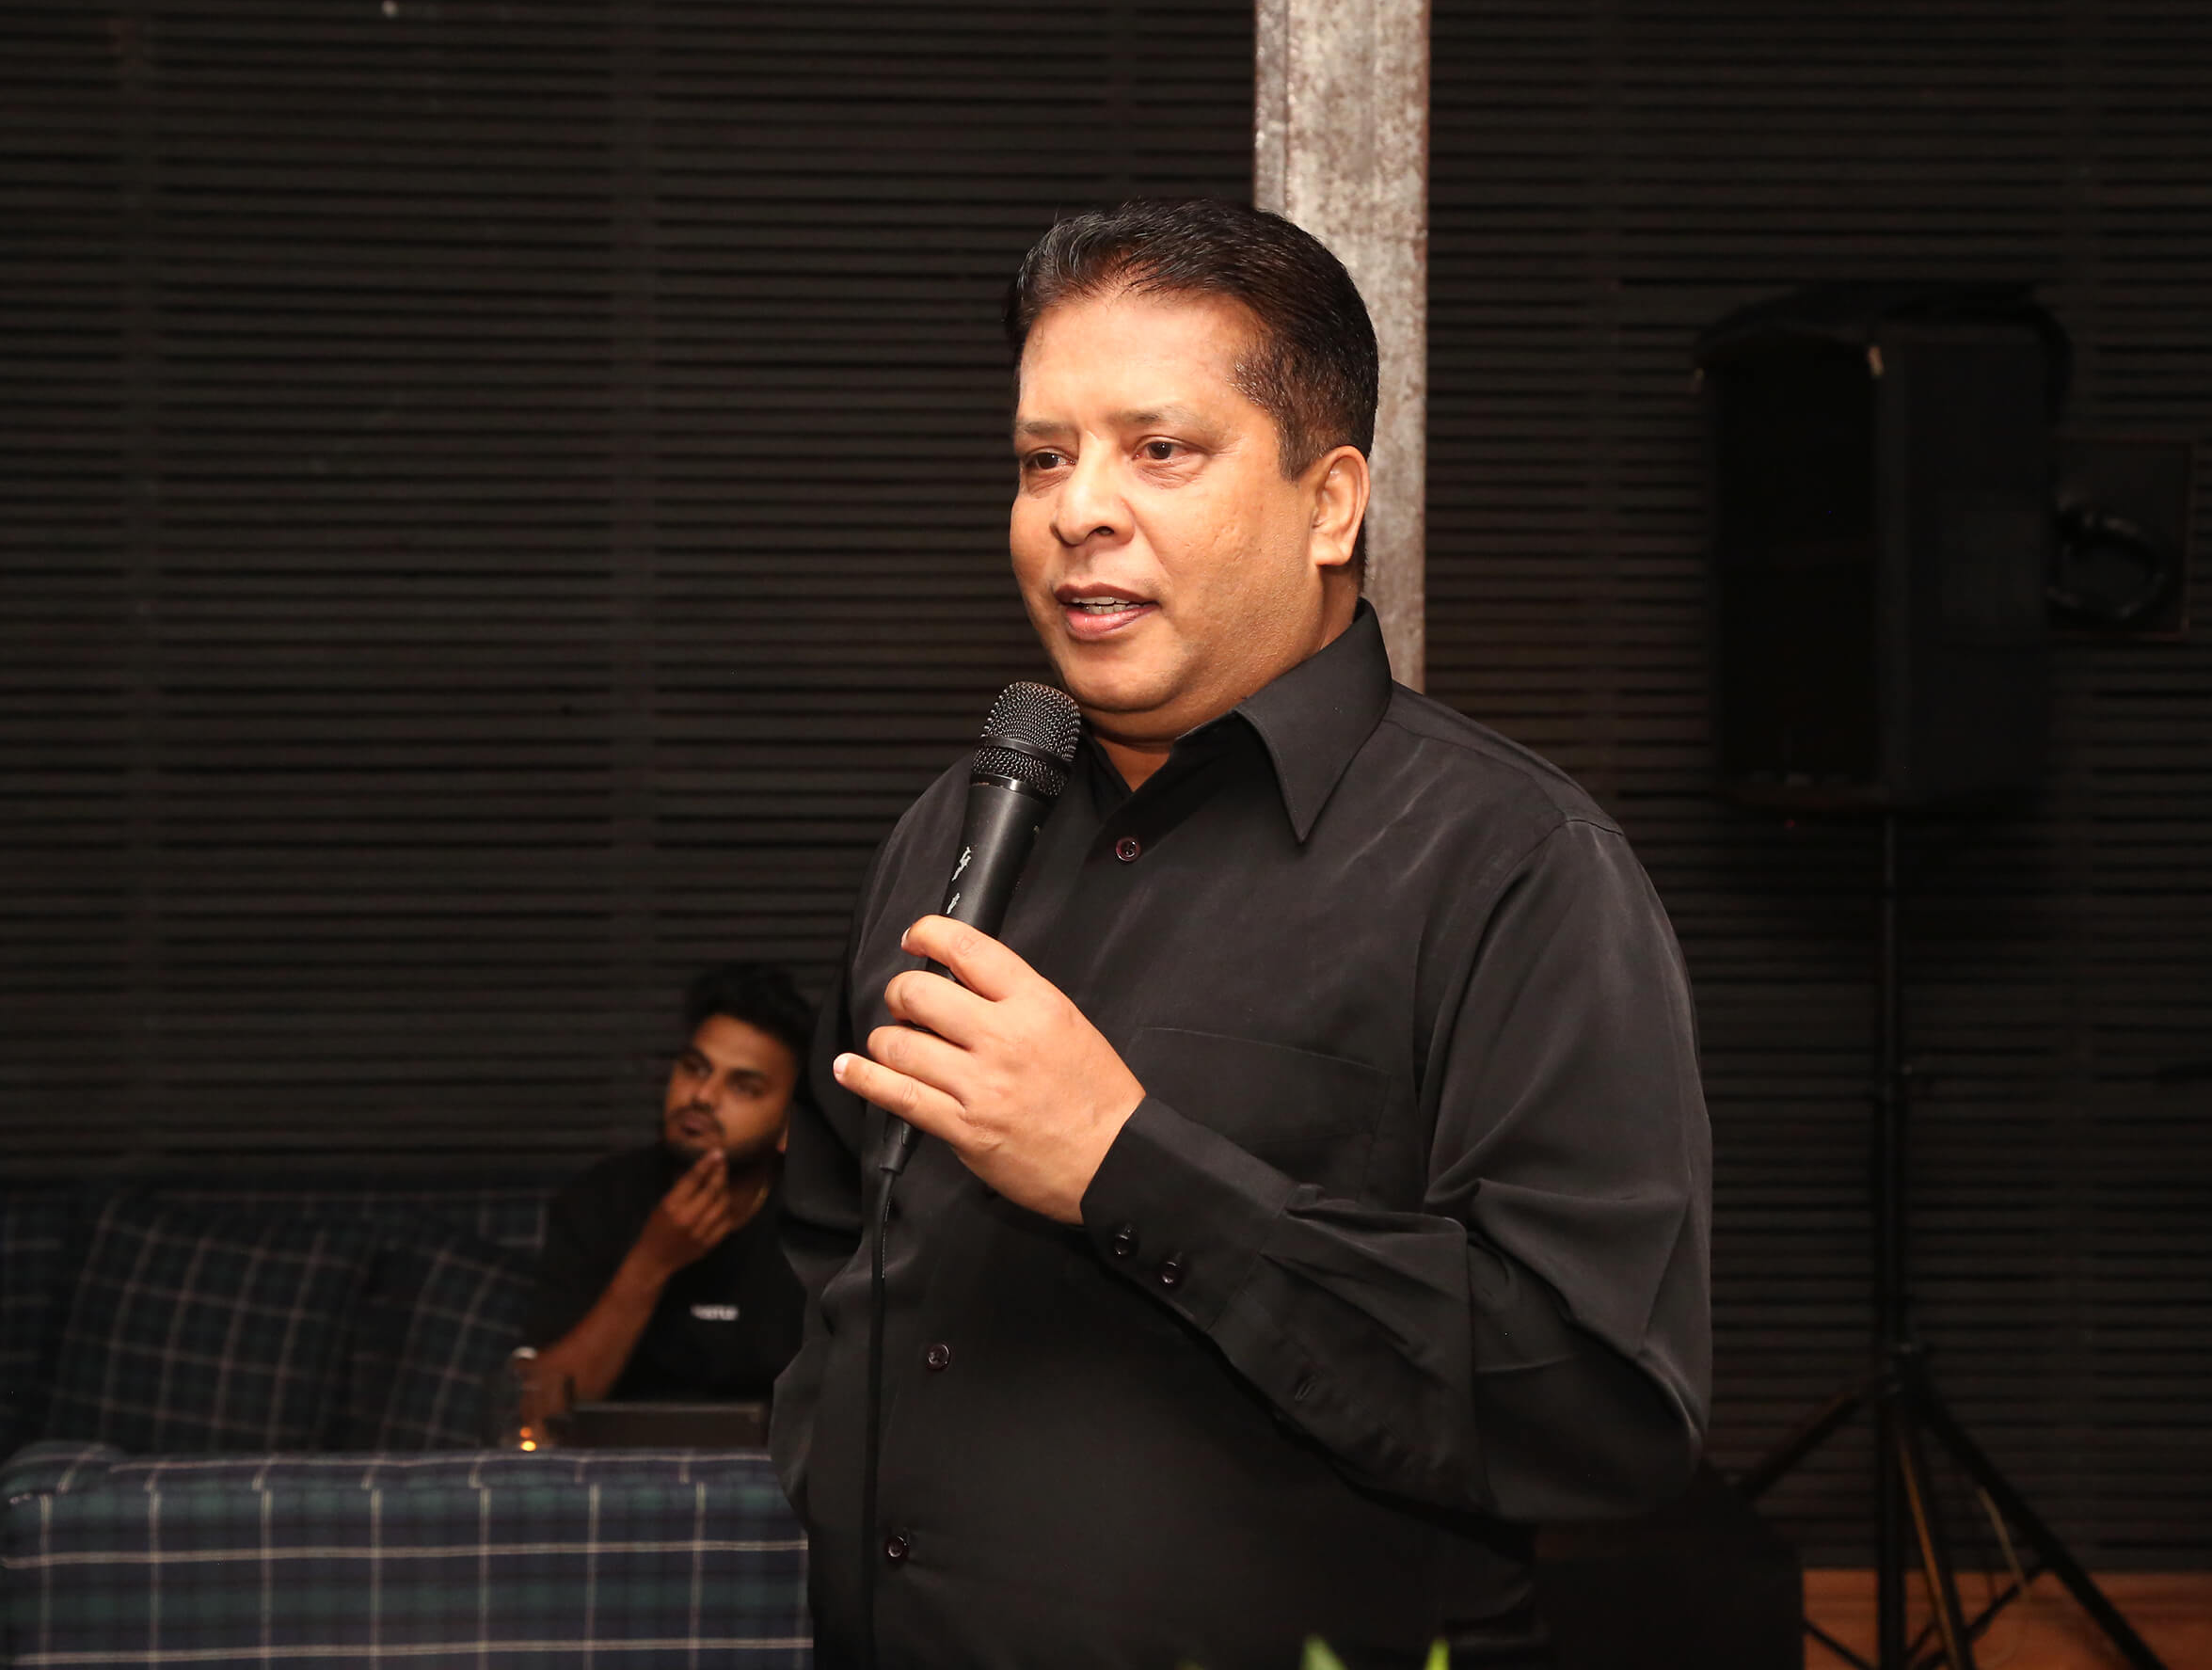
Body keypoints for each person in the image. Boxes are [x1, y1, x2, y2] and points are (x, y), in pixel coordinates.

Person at [771, 200, 1711, 1668]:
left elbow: (1595, 1408)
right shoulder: (954, 823)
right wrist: (823, 1456)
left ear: (1328, 505)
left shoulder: (1511, 865)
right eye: (1041, 457)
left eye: (1158, 450)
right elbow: (833, 1230)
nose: (1078, 509)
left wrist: (1124, 1168)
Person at [523, 962, 811, 1405]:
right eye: (695, 1068)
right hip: (620, 1451)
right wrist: (651, 1262)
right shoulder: (600, 1199)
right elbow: (539, 1409)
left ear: (789, 1126)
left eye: (743, 1087)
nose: (703, 1096)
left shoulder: (820, 1219)